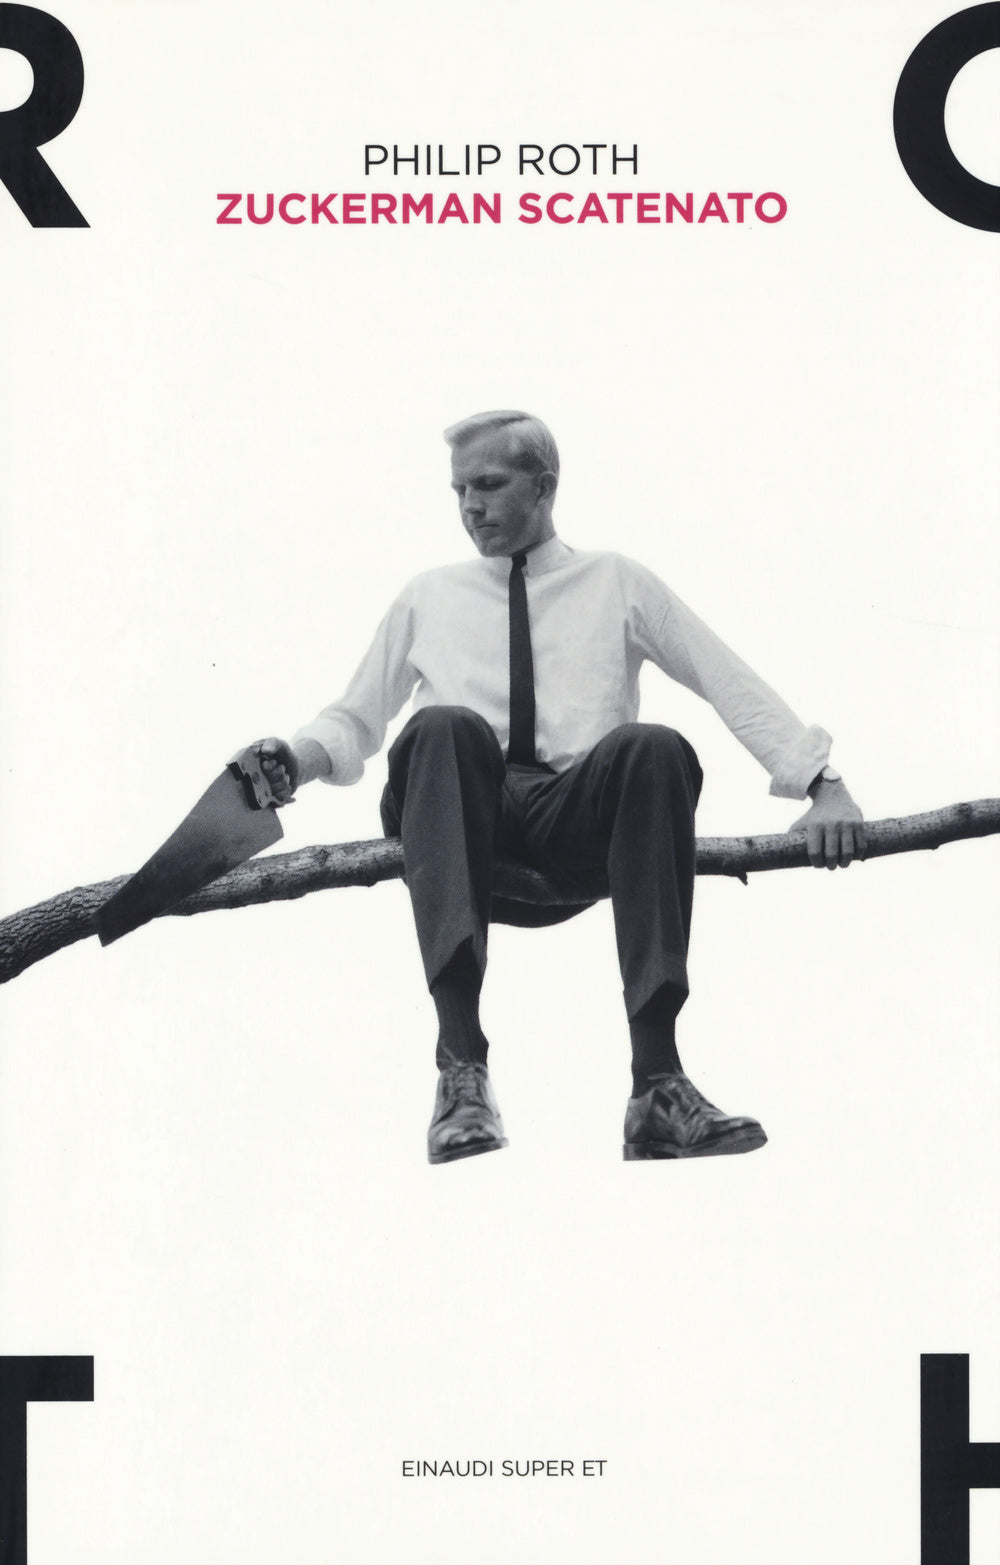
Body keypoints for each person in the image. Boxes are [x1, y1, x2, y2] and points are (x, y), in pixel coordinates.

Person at [257, 411, 865, 1165]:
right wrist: (293, 761)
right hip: (458, 821)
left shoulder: (616, 581)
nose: (470, 506)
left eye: (487, 485)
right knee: (445, 727)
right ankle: (461, 1072)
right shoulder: (428, 596)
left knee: (655, 747)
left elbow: (723, 676)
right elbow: (353, 717)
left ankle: (657, 1084)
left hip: (573, 823)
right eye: (459, 490)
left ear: (543, 487)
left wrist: (822, 783)